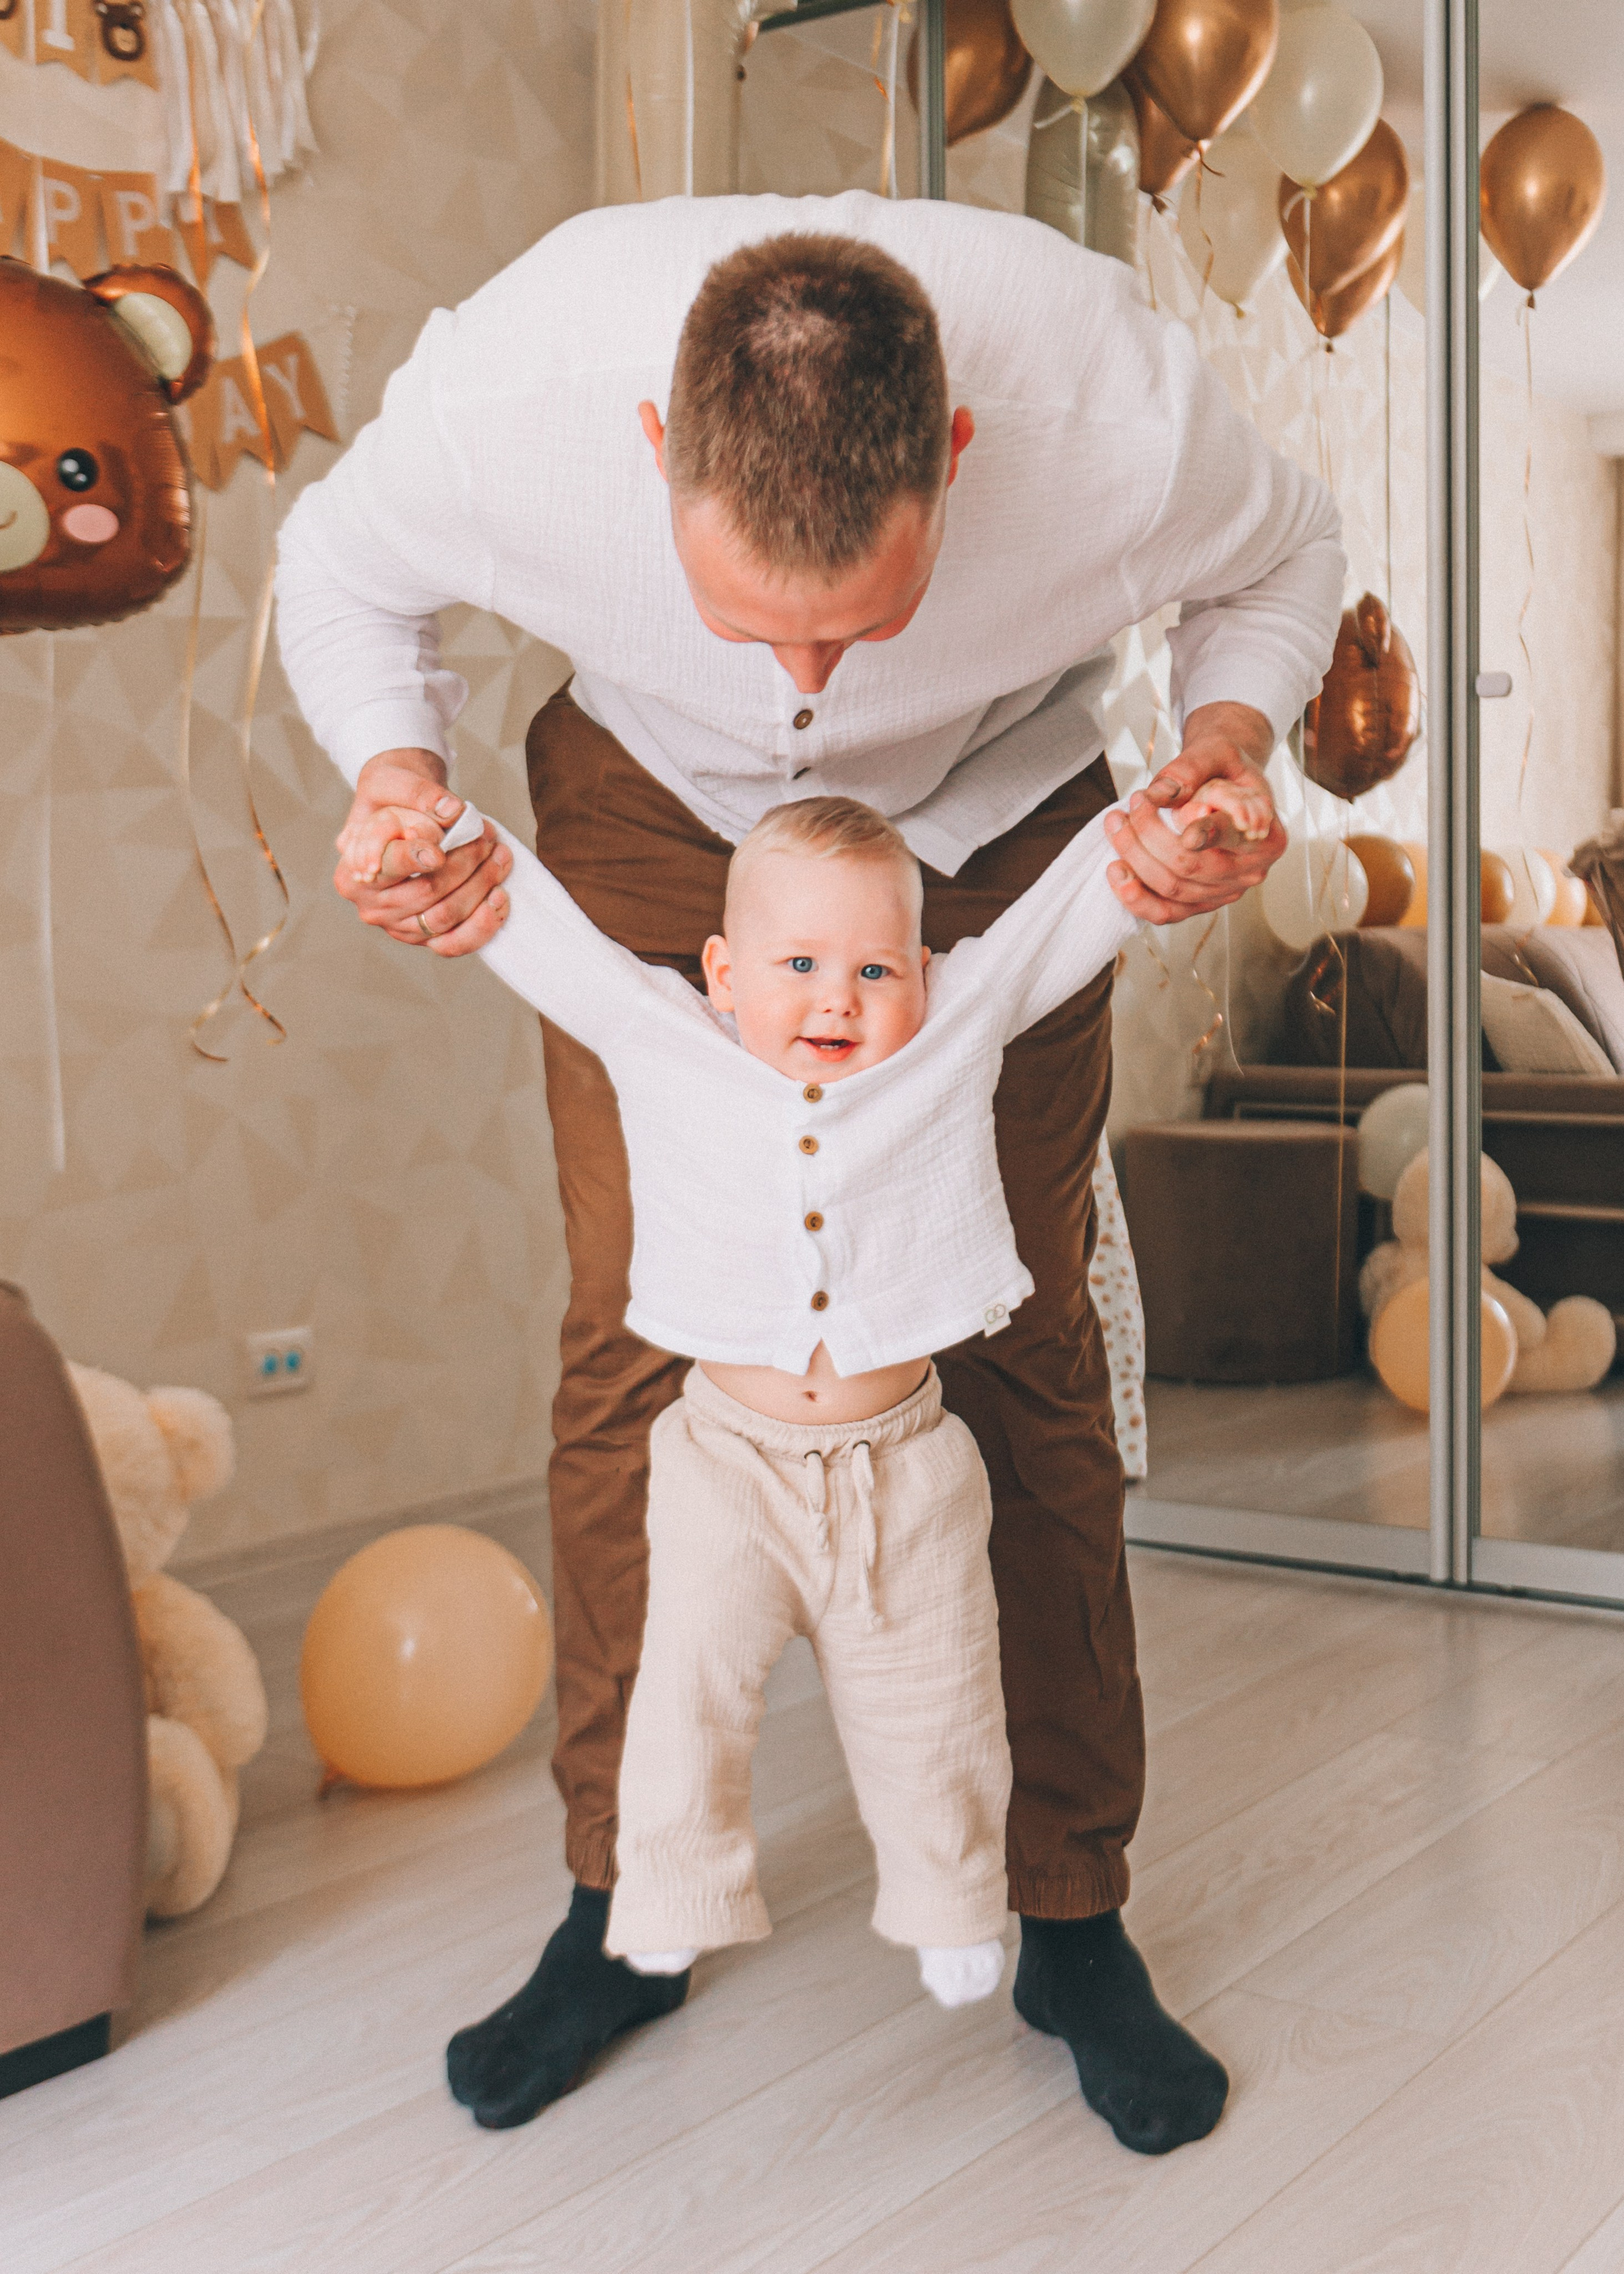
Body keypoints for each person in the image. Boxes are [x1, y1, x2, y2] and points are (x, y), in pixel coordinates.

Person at [276, 200, 1342, 2155]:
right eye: (755, 613)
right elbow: (338, 577)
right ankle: (625, 1897)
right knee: (632, 1336)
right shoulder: (509, 394)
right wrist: (392, 778)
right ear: (649, 458)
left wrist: (1221, 739)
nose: (807, 678)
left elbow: (1288, 557)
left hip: (1006, 814)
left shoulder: (1114, 409)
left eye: (860, 617)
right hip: (650, 813)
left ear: (954, 456)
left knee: (1012, 1340)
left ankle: (1072, 1911)